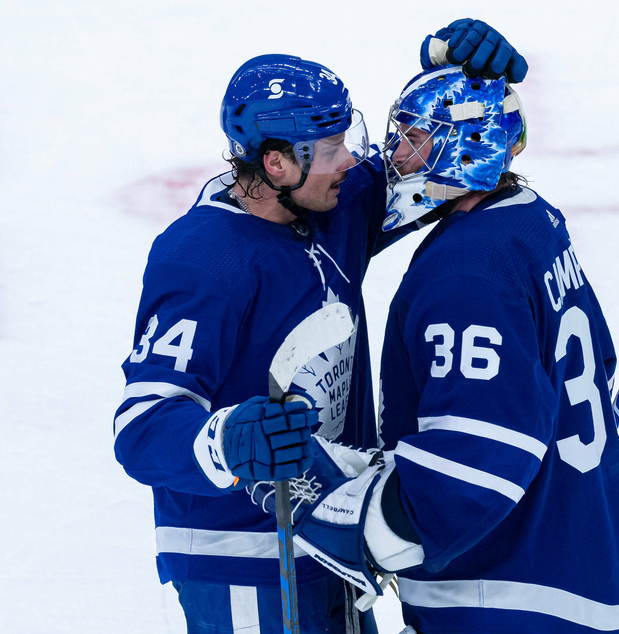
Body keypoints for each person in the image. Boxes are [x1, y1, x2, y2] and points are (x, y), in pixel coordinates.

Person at [113, 21, 527, 634]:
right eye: (330, 150)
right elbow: (141, 426)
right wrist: (225, 440)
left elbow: (438, 163)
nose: (353, 162)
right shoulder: (202, 260)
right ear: (276, 163)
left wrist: (458, 82)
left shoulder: (331, 205)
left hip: (333, 543)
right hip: (245, 566)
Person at [249, 64, 619, 633]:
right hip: (588, 570)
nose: (395, 154)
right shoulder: (532, 221)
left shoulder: (467, 271)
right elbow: (584, 374)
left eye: (414, 137)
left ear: (470, 142)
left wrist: (366, 526)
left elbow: (474, 461)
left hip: (509, 599)